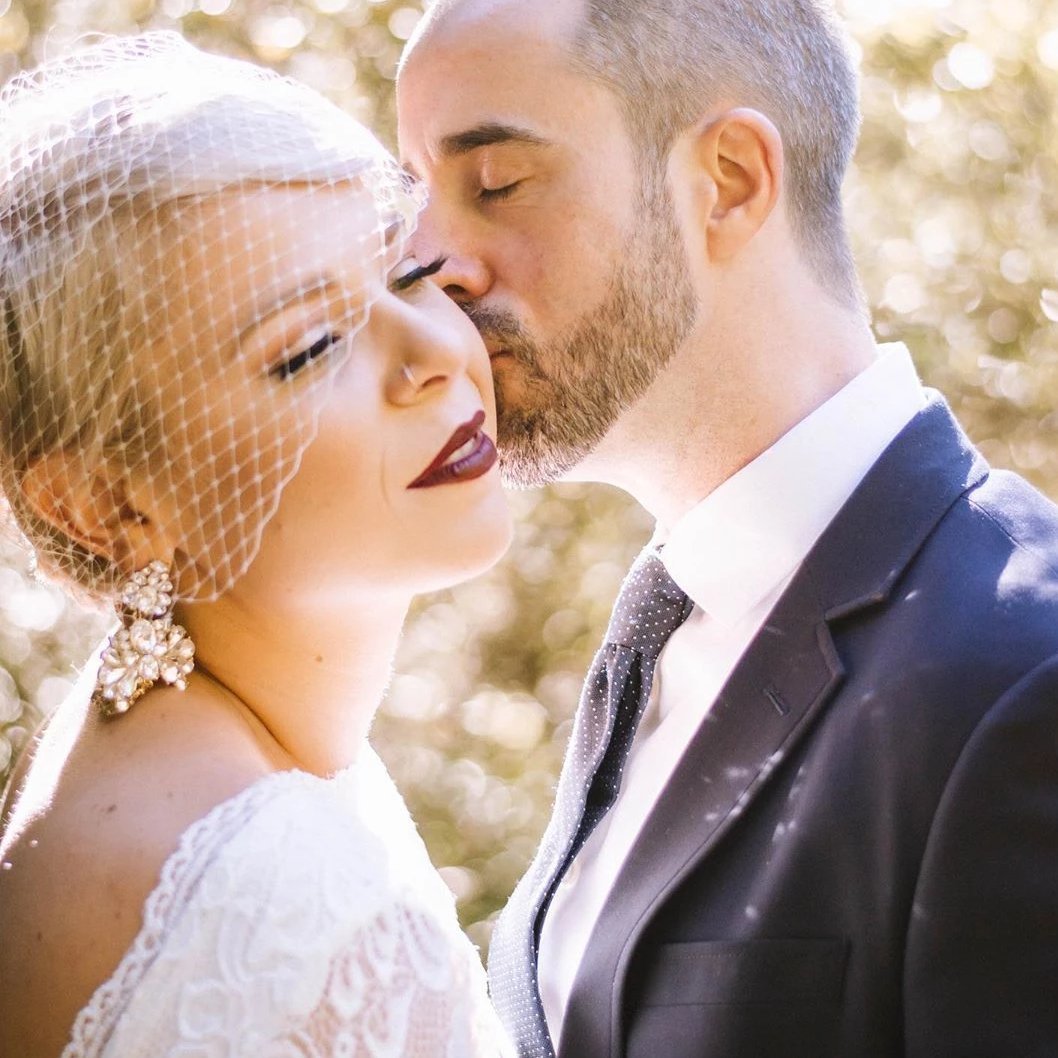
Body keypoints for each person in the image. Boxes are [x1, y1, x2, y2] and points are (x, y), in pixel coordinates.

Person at [397, 1, 1058, 1056]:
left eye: (495, 186)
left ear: (728, 179)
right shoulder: (664, 625)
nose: (433, 263)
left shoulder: (1022, 676)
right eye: (414, 202)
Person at [0, 33, 514, 1058]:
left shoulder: (148, 770)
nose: (431, 352)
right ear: (106, 505)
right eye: (310, 348)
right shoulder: (280, 881)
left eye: (406, 271)